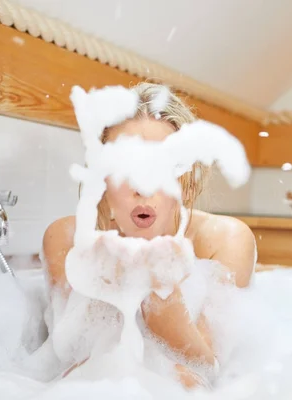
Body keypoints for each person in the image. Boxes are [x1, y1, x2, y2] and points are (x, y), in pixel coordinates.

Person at [41, 82, 257, 388]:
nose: (143, 187)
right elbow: (67, 357)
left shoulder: (223, 240)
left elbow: (209, 369)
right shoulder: (67, 239)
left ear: (185, 180)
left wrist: (161, 297)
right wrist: (105, 289)